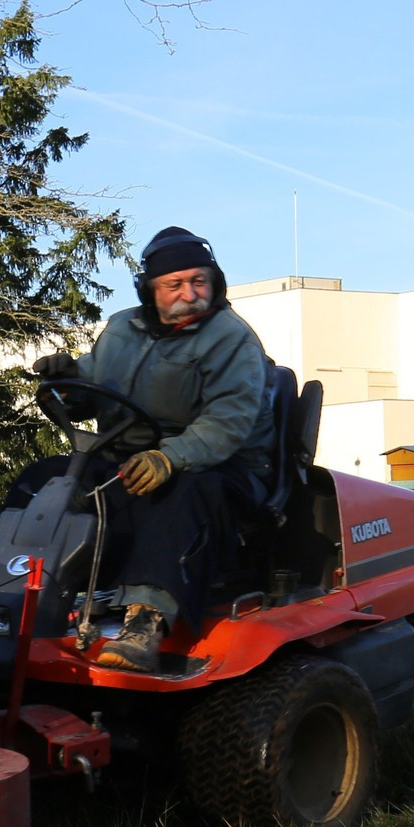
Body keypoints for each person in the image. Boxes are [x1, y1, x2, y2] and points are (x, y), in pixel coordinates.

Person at [29, 226, 274, 671]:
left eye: (199, 281)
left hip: (222, 465)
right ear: (149, 289)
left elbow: (228, 422)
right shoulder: (122, 328)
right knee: (47, 478)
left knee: (181, 493)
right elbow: (94, 383)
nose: (189, 293)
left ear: (215, 283)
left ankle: (146, 620)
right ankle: (4, 594)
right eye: (174, 284)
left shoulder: (231, 338)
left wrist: (170, 458)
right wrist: (66, 380)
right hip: (131, 458)